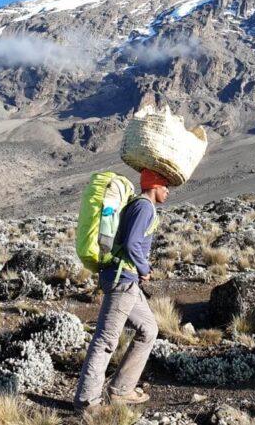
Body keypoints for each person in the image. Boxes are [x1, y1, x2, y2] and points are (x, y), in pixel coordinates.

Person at [74, 168, 170, 410]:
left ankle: (121, 390)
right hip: (122, 279)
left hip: (124, 278)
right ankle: (87, 401)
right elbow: (131, 243)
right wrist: (144, 267)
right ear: (155, 185)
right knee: (106, 339)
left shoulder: (138, 206)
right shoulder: (144, 207)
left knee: (149, 329)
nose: (168, 191)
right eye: (165, 186)